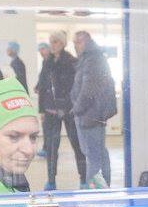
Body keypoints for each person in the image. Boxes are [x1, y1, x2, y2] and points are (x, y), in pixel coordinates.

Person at [36, 31, 85, 189]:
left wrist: (70, 107)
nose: (53, 45)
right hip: (50, 111)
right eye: (51, 42)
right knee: (51, 147)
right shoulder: (47, 62)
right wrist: (41, 110)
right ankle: (51, 180)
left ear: (63, 43)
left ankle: (83, 178)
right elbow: (42, 85)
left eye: (56, 41)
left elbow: (76, 88)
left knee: (76, 144)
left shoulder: (71, 61)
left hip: (68, 111)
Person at [70, 29, 117, 188]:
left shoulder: (92, 59)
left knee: (94, 157)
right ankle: (102, 188)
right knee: (99, 154)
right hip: (92, 114)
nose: (75, 46)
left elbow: (88, 90)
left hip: (90, 115)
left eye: (78, 42)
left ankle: (95, 191)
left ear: (87, 41)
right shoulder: (90, 58)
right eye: (74, 43)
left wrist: (76, 109)